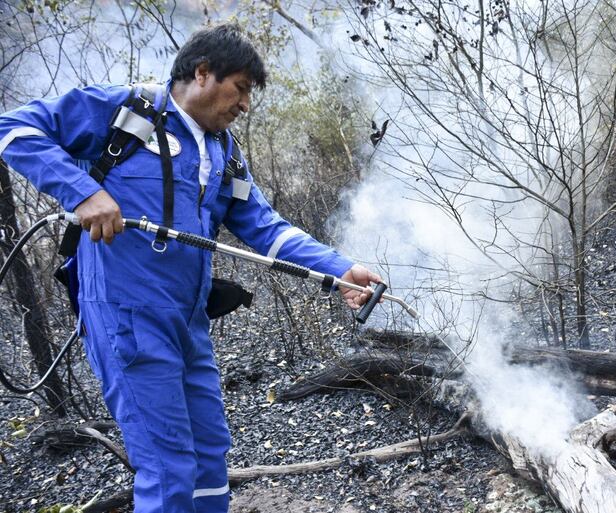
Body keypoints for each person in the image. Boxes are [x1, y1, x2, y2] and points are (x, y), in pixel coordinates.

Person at [0, 23, 380, 512]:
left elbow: (265, 227)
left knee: (208, 454)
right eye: (240, 89)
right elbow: (14, 128)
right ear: (203, 73)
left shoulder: (223, 153)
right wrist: (86, 193)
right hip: (127, 318)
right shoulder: (127, 113)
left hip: (189, 321)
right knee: (167, 462)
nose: (245, 105)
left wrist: (340, 268)